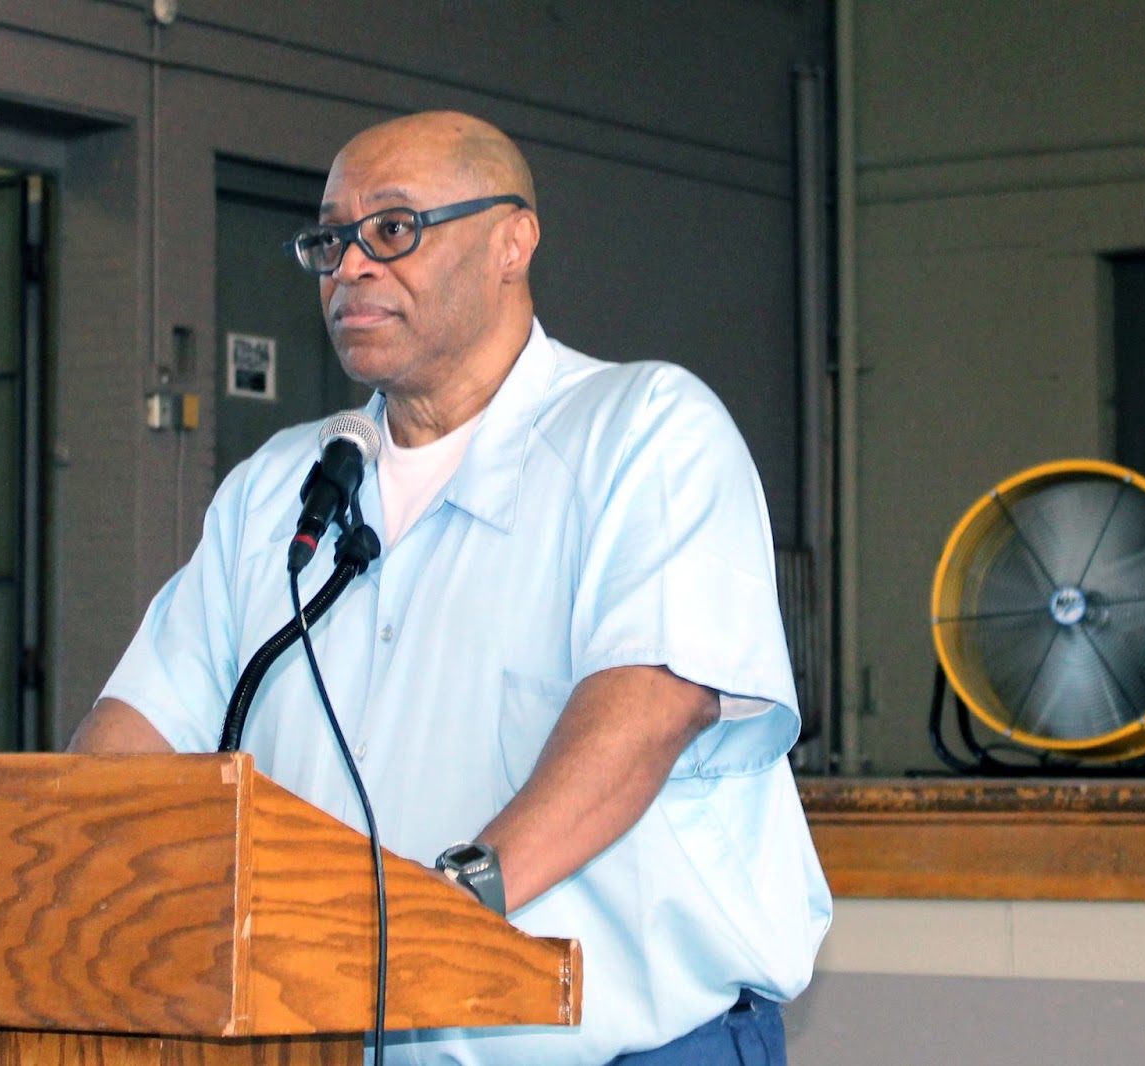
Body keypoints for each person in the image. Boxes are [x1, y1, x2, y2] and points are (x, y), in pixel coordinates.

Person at [71, 110, 831, 1065]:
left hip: (622, 1049)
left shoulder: (643, 431)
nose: (350, 266)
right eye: (330, 241)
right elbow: (142, 726)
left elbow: (648, 710)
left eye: (392, 230)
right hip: (330, 1041)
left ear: (512, 240)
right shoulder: (278, 488)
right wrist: (62, 877)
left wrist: (441, 910)